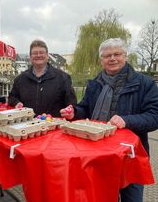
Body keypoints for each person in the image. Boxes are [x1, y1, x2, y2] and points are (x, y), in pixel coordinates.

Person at [60, 38, 158, 202]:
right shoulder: (95, 83)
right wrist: (74, 113)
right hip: (97, 156)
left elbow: (154, 117)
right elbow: (85, 108)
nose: (112, 58)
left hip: (129, 158)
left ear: (125, 55)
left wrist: (127, 120)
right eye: (107, 56)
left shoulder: (145, 83)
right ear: (101, 60)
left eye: (117, 54)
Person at [8, 39, 77, 117]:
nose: (38, 55)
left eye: (41, 52)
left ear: (47, 56)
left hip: (54, 126)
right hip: (27, 125)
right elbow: (12, 97)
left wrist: (70, 112)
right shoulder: (20, 79)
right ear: (30, 57)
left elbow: (72, 104)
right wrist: (16, 103)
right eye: (35, 53)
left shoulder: (63, 78)